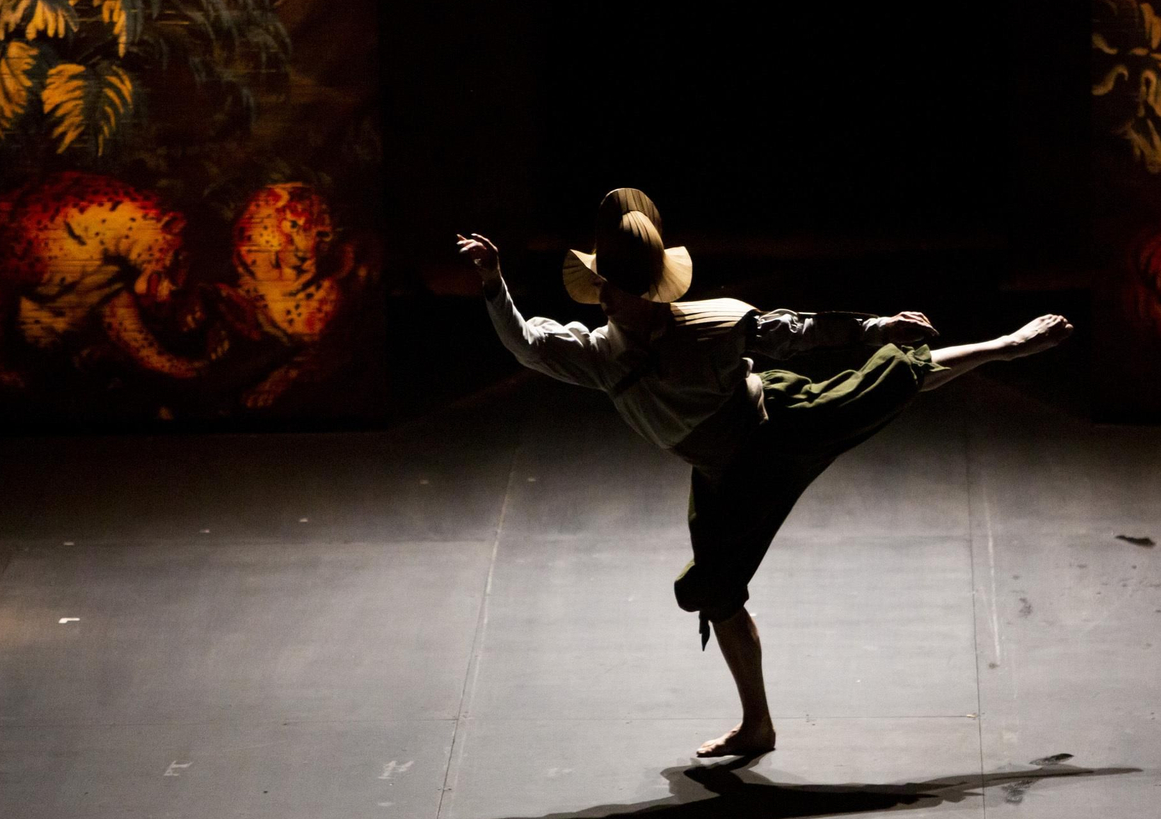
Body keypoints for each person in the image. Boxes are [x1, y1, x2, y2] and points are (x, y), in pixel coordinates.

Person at [457, 188, 1072, 758]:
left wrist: (873, 326)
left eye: (616, 288)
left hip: (776, 427)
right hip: (723, 473)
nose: (605, 298)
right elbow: (524, 344)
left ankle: (1006, 345)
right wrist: (493, 283)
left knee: (883, 382)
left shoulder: (713, 325)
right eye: (603, 287)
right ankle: (758, 725)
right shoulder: (597, 355)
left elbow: (795, 331)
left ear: (645, 292)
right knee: (716, 591)